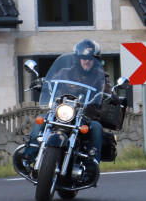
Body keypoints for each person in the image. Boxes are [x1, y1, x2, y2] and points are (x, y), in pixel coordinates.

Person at [20, 39, 112, 176]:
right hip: (62, 112)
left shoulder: (101, 77)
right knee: (42, 120)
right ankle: (27, 157)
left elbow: (109, 90)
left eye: (91, 59)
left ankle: (92, 164)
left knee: (96, 127)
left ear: (96, 61)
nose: (87, 61)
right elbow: (52, 81)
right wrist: (43, 82)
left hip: (86, 116)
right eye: (84, 58)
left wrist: (112, 95)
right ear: (78, 59)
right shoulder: (65, 72)